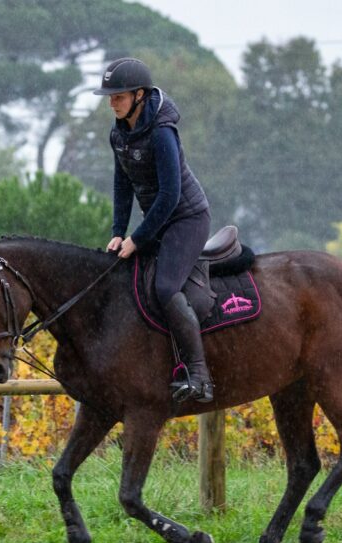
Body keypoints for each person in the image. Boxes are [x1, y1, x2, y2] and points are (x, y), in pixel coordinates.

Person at [94, 57, 213, 403]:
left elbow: (170, 194)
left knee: (163, 287)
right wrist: (119, 231)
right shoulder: (118, 132)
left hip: (187, 219)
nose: (111, 103)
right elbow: (122, 185)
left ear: (139, 95)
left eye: (118, 96)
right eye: (110, 97)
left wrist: (137, 238)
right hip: (158, 219)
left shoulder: (162, 132)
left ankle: (199, 375)